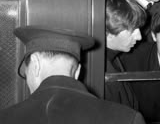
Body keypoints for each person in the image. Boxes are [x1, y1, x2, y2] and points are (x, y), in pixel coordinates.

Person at [0, 25, 146, 124]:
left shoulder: (6, 118)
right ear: (77, 72)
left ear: (36, 64)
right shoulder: (127, 118)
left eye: (26, 72)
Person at [105, 0, 146, 110]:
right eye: (132, 30)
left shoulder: (113, 59)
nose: (139, 37)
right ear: (109, 33)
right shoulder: (102, 70)